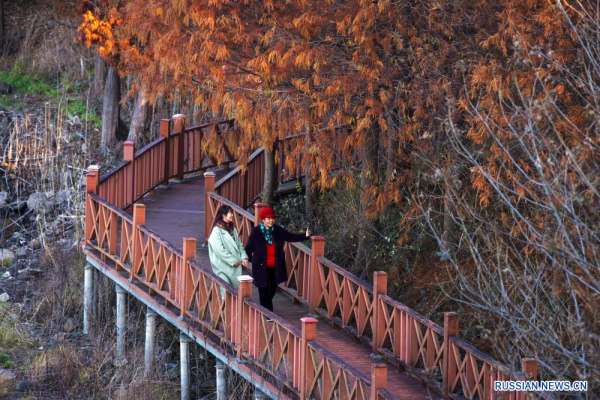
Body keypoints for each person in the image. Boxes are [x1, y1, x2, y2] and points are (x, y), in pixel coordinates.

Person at [245, 207, 311, 317]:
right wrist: (246, 258)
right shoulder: (256, 231)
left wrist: (305, 235)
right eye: (268, 219)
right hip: (261, 267)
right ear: (263, 219)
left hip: (275, 266)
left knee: (272, 289)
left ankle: (264, 309)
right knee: (264, 290)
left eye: (272, 218)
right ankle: (268, 315)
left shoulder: (278, 230)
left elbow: (290, 236)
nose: (271, 221)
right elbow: (249, 247)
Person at [208, 205, 249, 291]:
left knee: (234, 295)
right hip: (222, 268)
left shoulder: (233, 229)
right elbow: (219, 250)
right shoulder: (216, 231)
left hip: (234, 267)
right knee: (226, 294)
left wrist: (244, 257)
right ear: (223, 215)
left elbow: (239, 245)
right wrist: (232, 261)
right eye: (230, 213)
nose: (232, 215)